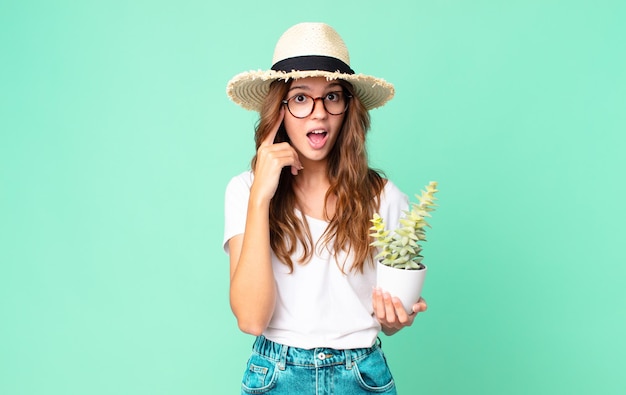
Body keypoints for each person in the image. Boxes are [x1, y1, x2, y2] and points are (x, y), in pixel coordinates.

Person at [223, 22, 428, 395]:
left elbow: (391, 317)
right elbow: (252, 319)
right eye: (301, 98)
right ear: (279, 110)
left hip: (362, 376)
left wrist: (396, 318)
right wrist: (261, 198)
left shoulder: (384, 197)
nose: (318, 113)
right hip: (275, 377)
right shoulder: (245, 191)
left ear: (348, 108)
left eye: (332, 96)